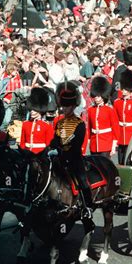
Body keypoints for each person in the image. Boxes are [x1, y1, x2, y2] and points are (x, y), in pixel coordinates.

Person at [49, 81, 93, 213]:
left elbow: (77, 143)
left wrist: (63, 148)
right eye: (63, 106)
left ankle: (88, 206)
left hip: (74, 157)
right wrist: (54, 147)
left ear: (73, 106)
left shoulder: (79, 123)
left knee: (82, 180)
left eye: (67, 106)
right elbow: (55, 139)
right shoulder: (59, 122)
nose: (64, 109)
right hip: (60, 157)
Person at [87, 76, 119, 158]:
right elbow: (90, 128)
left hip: (106, 144)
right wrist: (89, 141)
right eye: (95, 96)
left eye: (98, 96)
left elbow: (115, 129)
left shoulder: (109, 110)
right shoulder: (91, 110)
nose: (96, 98)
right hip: (94, 144)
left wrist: (113, 145)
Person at [20, 88, 54, 155]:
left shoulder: (47, 126)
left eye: (34, 109)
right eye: (31, 109)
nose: (31, 111)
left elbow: (49, 145)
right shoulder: (25, 124)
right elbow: (22, 144)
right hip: (27, 155)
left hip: (40, 156)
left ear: (40, 110)